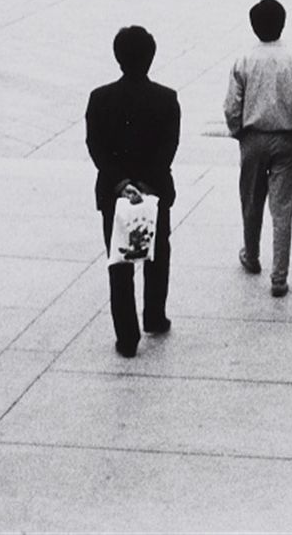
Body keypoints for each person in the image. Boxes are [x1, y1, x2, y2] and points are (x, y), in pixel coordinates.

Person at [85, 25, 179, 357]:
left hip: (114, 194)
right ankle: (154, 315)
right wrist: (145, 184)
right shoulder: (167, 98)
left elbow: (95, 146)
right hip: (154, 192)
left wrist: (121, 184)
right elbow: (168, 147)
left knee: (119, 262)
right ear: (151, 57)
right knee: (157, 254)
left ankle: (127, 337)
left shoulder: (100, 98)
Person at [224, 0, 292, 297]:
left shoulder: (243, 60)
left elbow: (232, 106)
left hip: (253, 138)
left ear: (254, 27)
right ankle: (279, 276)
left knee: (251, 202)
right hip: (286, 139)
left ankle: (251, 255)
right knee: (282, 210)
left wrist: (237, 130)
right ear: (283, 23)